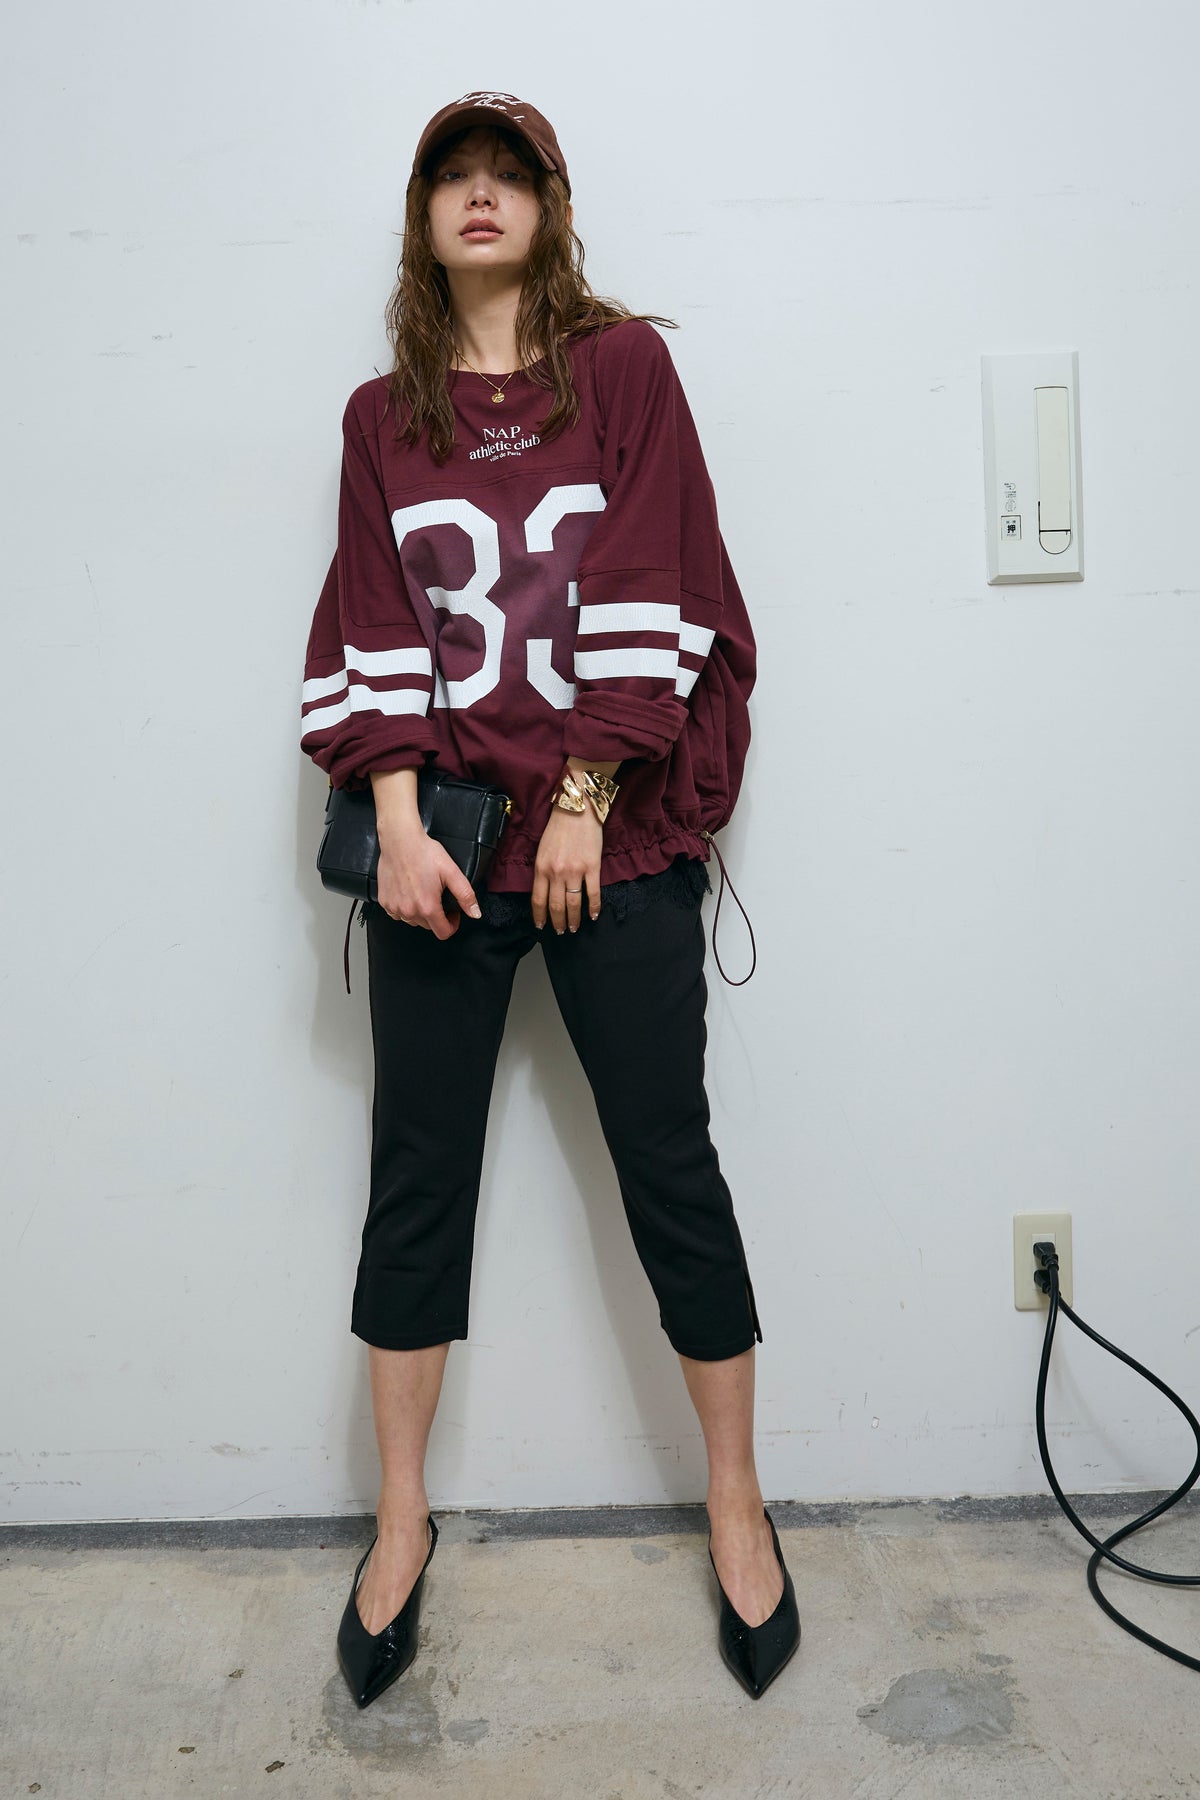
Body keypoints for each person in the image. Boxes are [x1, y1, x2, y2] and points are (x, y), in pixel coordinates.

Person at [300, 90, 800, 1706]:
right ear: (421, 215)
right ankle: (399, 1521)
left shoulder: (624, 371)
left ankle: (737, 1502)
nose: (481, 194)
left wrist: (585, 796)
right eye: (452, 174)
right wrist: (395, 821)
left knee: (670, 1166)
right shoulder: (385, 417)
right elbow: (372, 622)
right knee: (416, 1181)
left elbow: (662, 577)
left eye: (508, 173)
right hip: (444, 854)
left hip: (617, 846)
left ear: (552, 205)